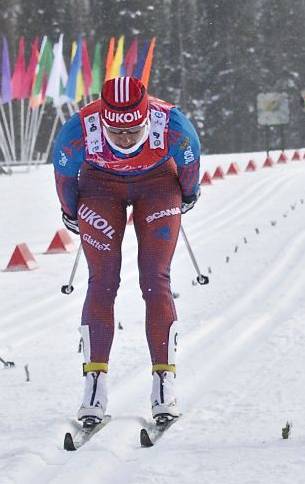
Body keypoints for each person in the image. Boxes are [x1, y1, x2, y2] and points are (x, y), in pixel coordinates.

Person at [51, 76, 203, 430]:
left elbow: (190, 168)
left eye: (133, 131)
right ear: (102, 121)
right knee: (102, 280)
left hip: (157, 185)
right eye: (115, 132)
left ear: (146, 117)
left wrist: (188, 194)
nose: (124, 139)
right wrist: (71, 212)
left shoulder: (174, 124)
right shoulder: (78, 130)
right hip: (101, 187)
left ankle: (164, 382)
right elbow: (63, 177)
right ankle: (94, 385)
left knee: (155, 278)